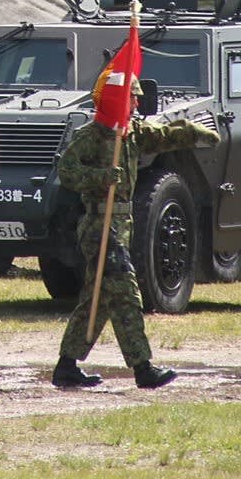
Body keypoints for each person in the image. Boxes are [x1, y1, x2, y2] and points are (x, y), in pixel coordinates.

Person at [51, 71, 220, 390]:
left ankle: (67, 366)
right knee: (127, 292)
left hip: (120, 225)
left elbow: (165, 135)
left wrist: (197, 133)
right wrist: (102, 177)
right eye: (131, 96)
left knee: (96, 300)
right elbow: (67, 172)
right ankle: (143, 368)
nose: (137, 102)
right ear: (116, 100)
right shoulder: (92, 136)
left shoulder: (130, 134)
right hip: (100, 226)